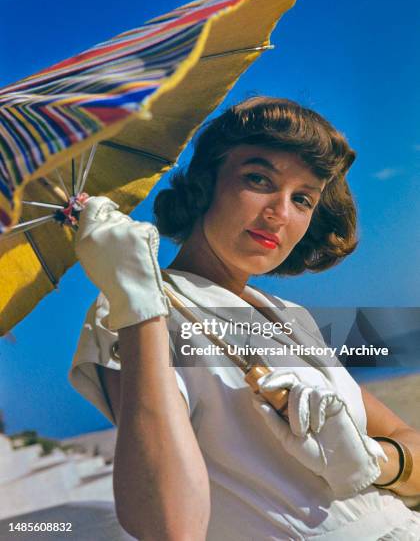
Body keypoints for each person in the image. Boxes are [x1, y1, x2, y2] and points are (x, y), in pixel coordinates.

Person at [69, 97, 420, 540]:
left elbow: (411, 444)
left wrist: (372, 459)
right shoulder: (128, 314)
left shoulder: (291, 316)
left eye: (303, 199)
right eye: (258, 178)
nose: (280, 212)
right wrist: (139, 305)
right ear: (205, 183)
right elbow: (168, 526)